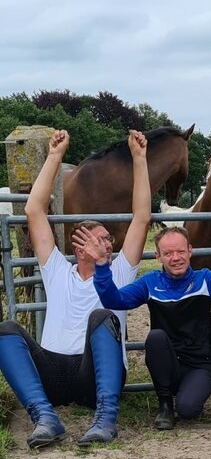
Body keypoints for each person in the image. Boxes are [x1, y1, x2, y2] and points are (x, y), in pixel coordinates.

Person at [0, 129, 151, 448]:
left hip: (94, 375)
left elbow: (141, 217)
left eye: (110, 239)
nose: (109, 244)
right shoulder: (57, 270)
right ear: (79, 246)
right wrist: (54, 156)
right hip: (55, 372)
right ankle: (45, 417)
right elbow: (34, 211)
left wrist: (139, 159)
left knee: (102, 316)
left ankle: (107, 418)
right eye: (102, 239)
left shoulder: (119, 271)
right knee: (6, 330)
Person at [75, 206, 211, 431]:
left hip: (200, 365)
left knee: (187, 410)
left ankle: (186, 397)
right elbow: (114, 300)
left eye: (180, 252)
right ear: (158, 256)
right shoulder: (150, 283)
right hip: (168, 362)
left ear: (190, 251)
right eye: (168, 253)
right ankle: (164, 403)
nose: (176, 258)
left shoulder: (205, 280)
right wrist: (102, 266)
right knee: (155, 337)